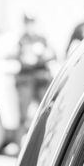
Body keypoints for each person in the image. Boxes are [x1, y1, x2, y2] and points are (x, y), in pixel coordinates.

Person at [15, 13, 55, 141]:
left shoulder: (42, 39)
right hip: (27, 79)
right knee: (24, 113)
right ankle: (20, 142)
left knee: (46, 110)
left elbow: (52, 54)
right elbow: (23, 59)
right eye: (27, 23)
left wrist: (41, 57)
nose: (30, 26)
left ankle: (47, 138)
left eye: (31, 23)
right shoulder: (21, 40)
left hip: (41, 79)